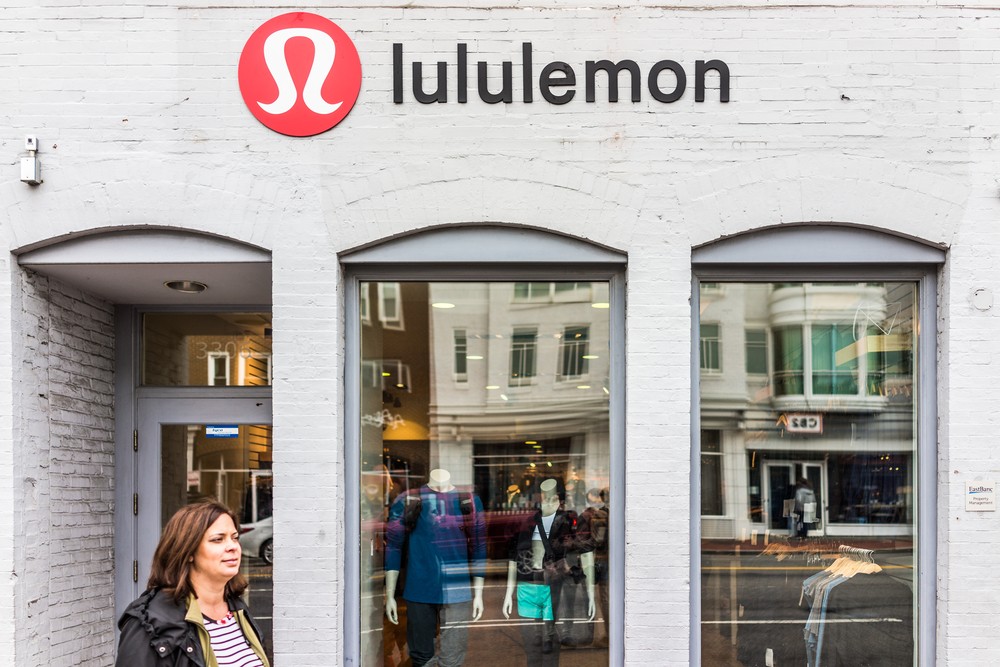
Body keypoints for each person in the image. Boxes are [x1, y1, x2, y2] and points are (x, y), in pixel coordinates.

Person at [116, 501, 270, 667]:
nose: (233, 547)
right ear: (188, 551)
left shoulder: (237, 609)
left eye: (235, 538)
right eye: (218, 539)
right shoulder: (150, 623)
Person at [384, 468, 487, 667]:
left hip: (457, 589)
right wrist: (389, 595)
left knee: (453, 657)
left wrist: (479, 593)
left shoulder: (468, 501)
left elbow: (479, 547)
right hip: (419, 588)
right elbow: (394, 546)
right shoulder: (409, 499)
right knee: (421, 658)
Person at [502, 478, 595, 666]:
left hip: (555, 579)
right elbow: (514, 557)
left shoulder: (569, 520)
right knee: (531, 638)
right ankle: (540, 640)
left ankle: (549, 636)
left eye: (551, 497)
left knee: (553, 620)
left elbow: (586, 554)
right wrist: (507, 593)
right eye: (543, 497)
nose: (546, 500)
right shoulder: (529, 521)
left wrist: (591, 593)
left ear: (558, 498)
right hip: (531, 580)